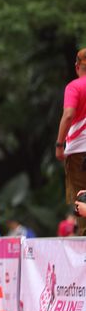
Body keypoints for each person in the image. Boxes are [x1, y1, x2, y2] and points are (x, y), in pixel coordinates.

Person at [56, 48, 86, 235]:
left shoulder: (74, 87)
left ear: (77, 66)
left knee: (82, 200)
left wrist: (59, 145)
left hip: (79, 153)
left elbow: (68, 115)